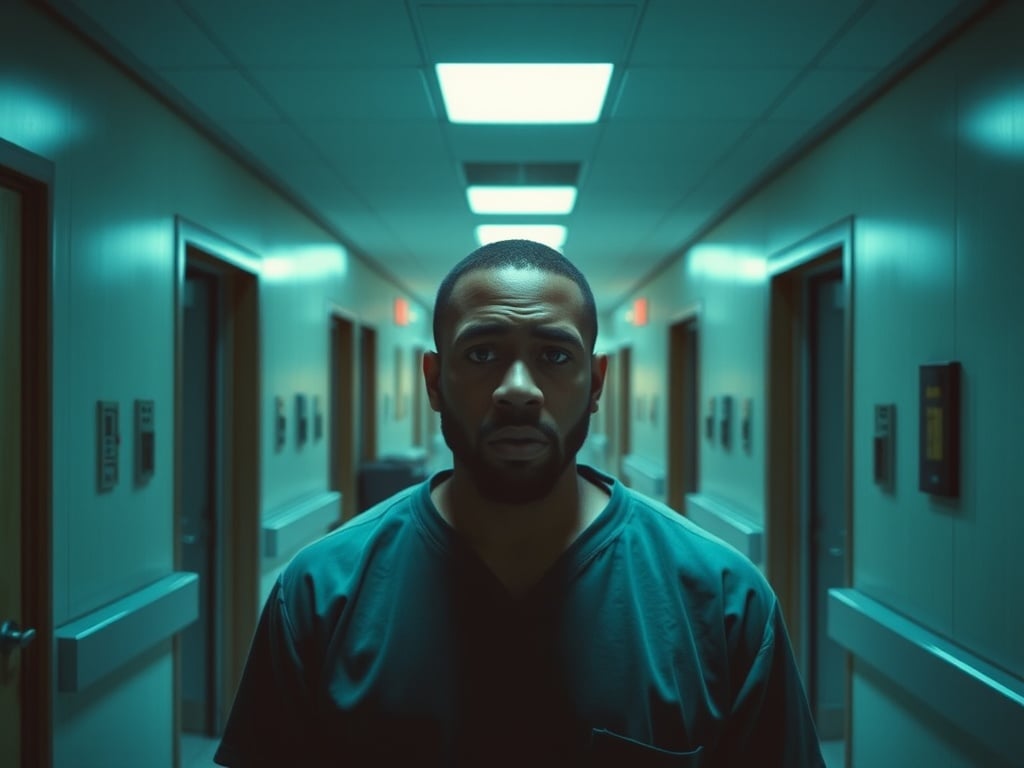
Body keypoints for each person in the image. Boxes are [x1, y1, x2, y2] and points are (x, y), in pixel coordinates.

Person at [214, 239, 824, 767]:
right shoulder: (321, 593)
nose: (518, 390)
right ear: (432, 380)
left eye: (555, 356)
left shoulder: (723, 600)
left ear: (597, 385)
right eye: (482, 354)